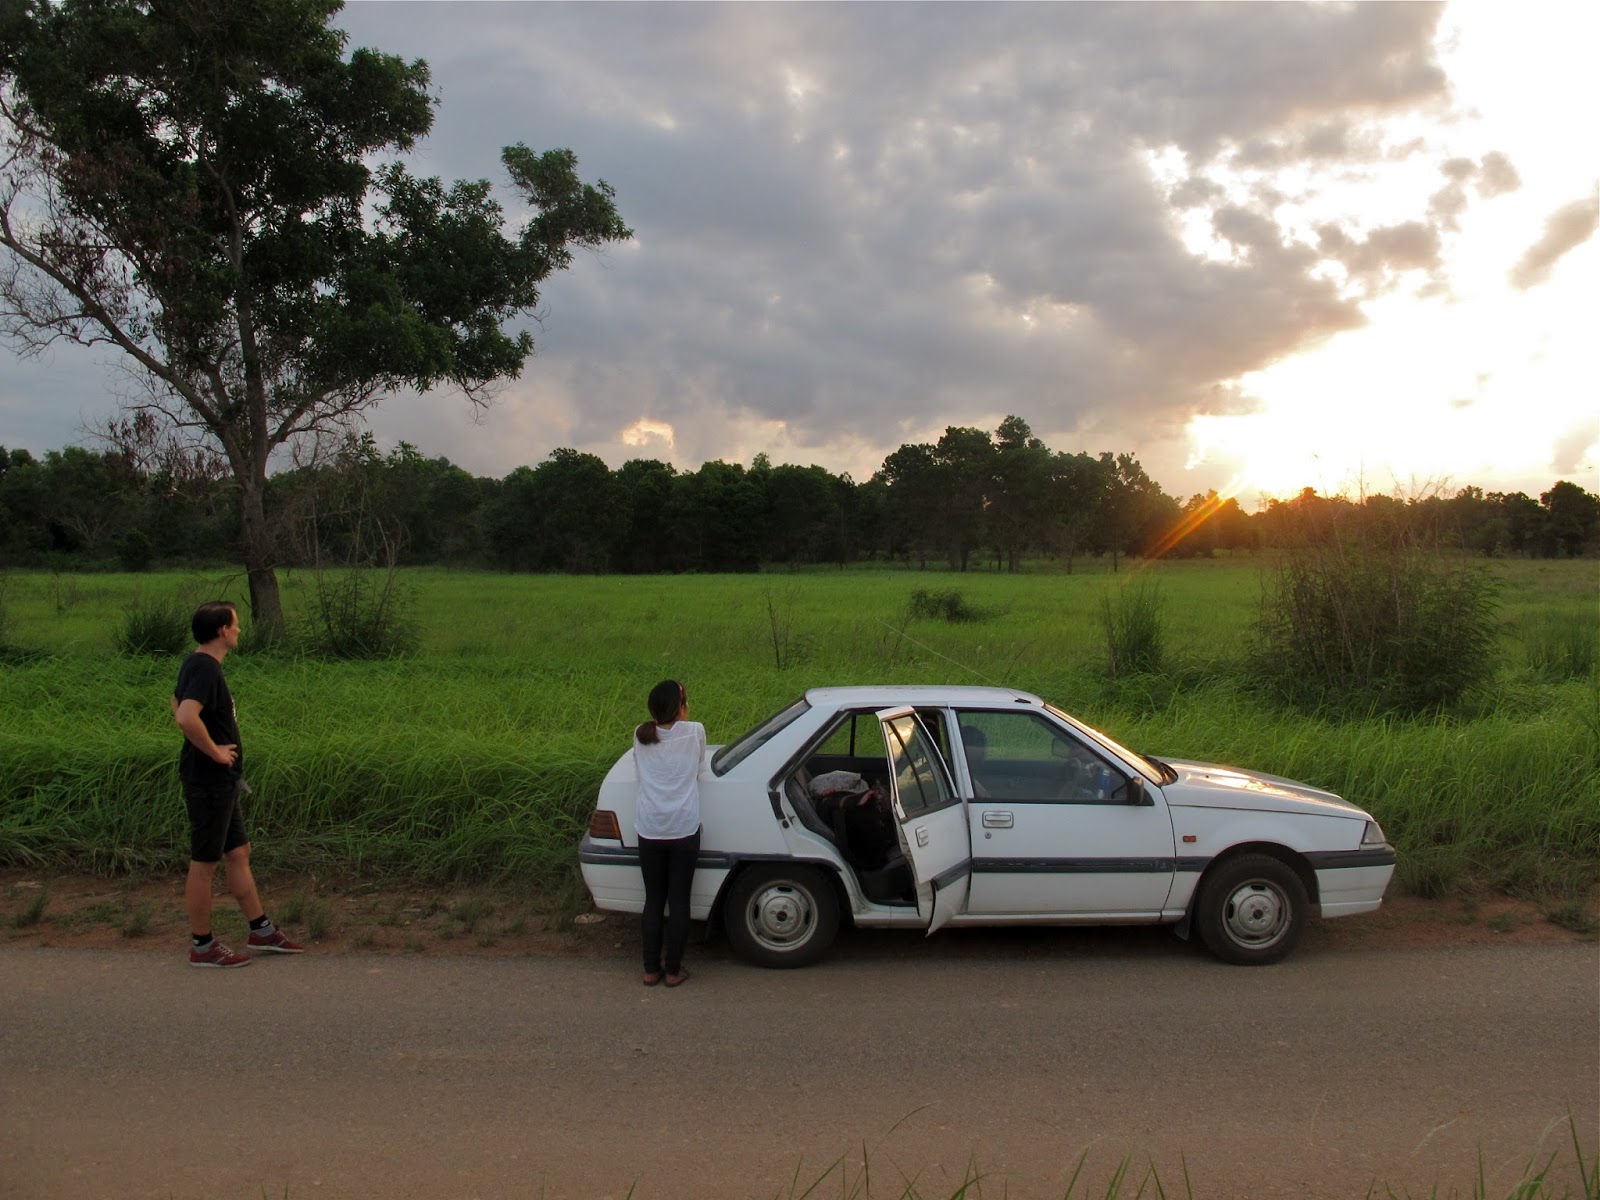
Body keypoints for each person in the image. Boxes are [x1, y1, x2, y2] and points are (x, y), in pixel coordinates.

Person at [171, 601, 303, 967]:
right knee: (204, 862)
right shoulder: (204, 667)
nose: (240, 630)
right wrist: (213, 751)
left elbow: (174, 701)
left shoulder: (197, 662)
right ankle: (202, 946)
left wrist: (210, 748)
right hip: (209, 780)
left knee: (238, 851)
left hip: (222, 780)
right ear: (222, 631)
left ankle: (261, 931)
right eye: (236, 624)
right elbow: (185, 715)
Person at [632, 679, 704, 987]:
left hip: (649, 827)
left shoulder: (640, 734)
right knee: (679, 901)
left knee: (653, 900)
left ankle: (651, 968)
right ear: (681, 707)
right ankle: (674, 970)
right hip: (683, 827)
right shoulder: (695, 732)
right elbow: (699, 764)